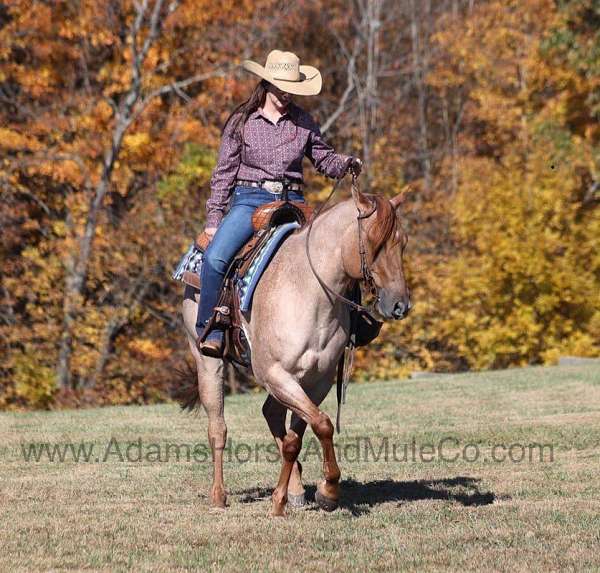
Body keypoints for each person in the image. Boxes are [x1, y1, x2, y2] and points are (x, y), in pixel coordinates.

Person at [196, 49, 362, 357]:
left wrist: (345, 163)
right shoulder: (241, 121)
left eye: (292, 88)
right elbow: (223, 174)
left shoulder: (304, 121)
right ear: (268, 84)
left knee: (341, 253)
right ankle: (211, 327)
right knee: (216, 258)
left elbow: (323, 159)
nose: (287, 94)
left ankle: (355, 324)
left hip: (295, 202)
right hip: (250, 201)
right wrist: (214, 218)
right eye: (282, 87)